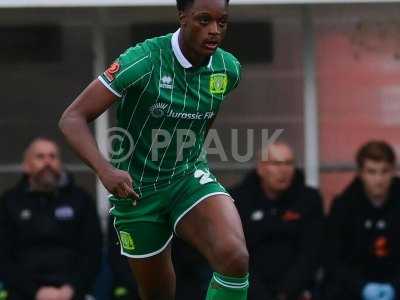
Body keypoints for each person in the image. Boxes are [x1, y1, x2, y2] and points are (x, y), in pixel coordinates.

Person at [58, 0, 249, 299]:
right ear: (182, 17)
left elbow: (204, 118)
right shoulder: (144, 60)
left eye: (222, 22)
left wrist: (192, 154)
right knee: (158, 293)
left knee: (234, 258)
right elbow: (72, 118)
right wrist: (105, 170)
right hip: (136, 193)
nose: (214, 30)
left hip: (187, 179)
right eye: (203, 20)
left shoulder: (228, 69)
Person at [0, 138, 102, 300]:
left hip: (72, 293)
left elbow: (92, 253)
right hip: (24, 294)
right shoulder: (9, 202)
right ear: (26, 165)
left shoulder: (81, 200)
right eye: (40, 157)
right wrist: (36, 293)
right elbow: (4, 257)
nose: (48, 162)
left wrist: (71, 289)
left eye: (53, 156)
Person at [232, 143, 324, 300]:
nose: (283, 170)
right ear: (261, 168)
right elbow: (235, 252)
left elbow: (311, 251)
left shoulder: (309, 200)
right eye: (275, 163)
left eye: (288, 163)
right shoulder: (238, 200)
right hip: (249, 290)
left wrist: (286, 292)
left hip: (296, 291)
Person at [324, 140, 400, 300]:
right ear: (360, 173)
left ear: (394, 172)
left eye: (384, 171)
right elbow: (333, 258)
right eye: (371, 172)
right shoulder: (343, 206)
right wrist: (361, 287)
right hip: (354, 288)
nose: (379, 180)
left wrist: (395, 286)